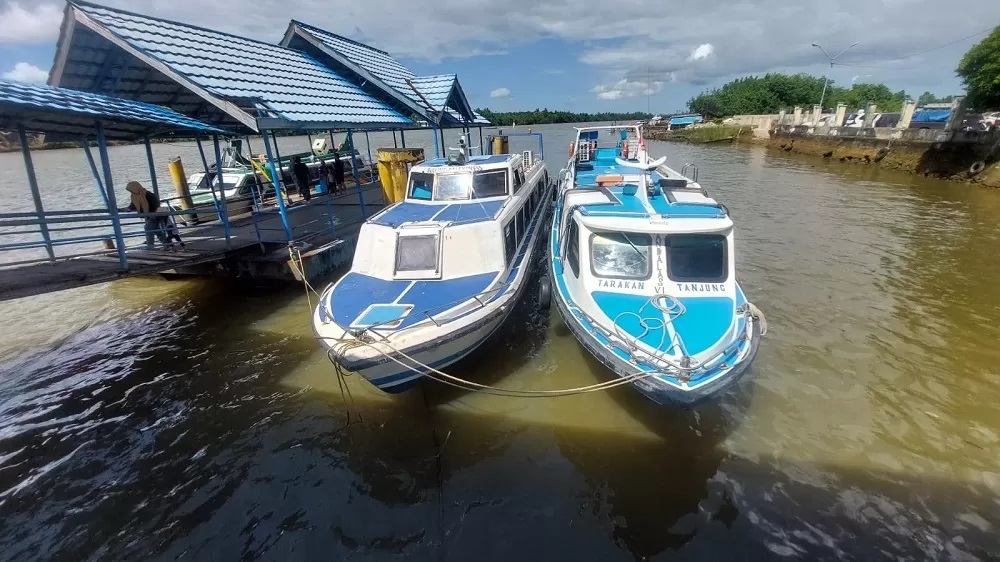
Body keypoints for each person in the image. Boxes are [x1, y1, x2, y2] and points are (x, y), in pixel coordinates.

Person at [124, 181, 171, 249]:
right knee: (156, 230)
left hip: (155, 216)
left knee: (148, 228)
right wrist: (126, 209)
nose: (131, 192)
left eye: (131, 190)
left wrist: (151, 213)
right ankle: (167, 244)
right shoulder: (135, 196)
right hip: (148, 216)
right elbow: (132, 206)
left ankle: (150, 246)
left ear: (135, 188)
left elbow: (156, 205)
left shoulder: (149, 195)